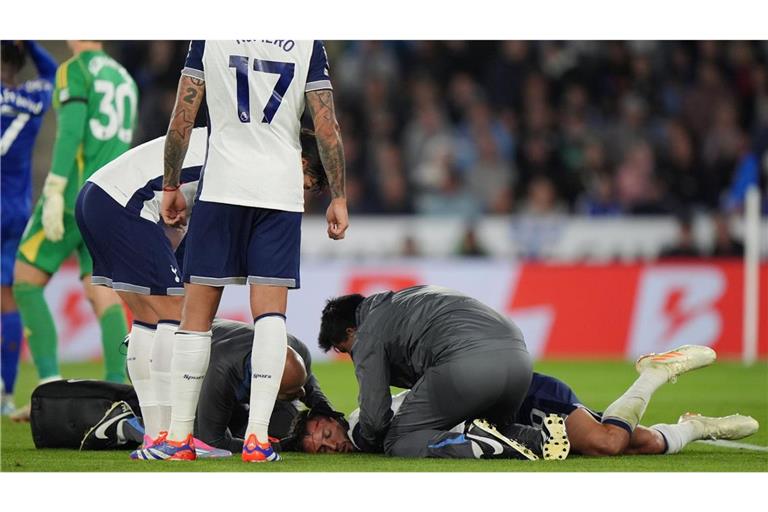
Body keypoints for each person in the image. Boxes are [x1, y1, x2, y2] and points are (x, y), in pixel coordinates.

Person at [155, 40, 348, 462]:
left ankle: (179, 440)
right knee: (270, 315)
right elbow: (327, 126)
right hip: (279, 192)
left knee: (196, 316)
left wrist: (171, 185)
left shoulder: (209, 36)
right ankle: (258, 440)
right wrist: (338, 196)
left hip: (224, 185)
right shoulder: (305, 41)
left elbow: (182, 117)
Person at [74, 127, 328, 443]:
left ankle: (157, 435)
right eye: (306, 185)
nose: (300, 192)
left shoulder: (241, 137)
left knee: (149, 322)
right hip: (128, 201)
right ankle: (173, 436)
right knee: (179, 317)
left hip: (98, 195)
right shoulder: (258, 159)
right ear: (302, 163)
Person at [341, 345, 759, 457]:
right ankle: (697, 426)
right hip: (511, 424)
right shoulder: (382, 434)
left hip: (521, 399)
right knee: (640, 442)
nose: (327, 445)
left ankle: (655, 373)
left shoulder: (370, 420)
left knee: (606, 444)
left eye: (322, 435)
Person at [12, 41, 138, 400]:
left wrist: (54, 188)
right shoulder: (125, 78)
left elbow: (70, 133)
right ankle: (116, 385)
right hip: (111, 198)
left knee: (25, 280)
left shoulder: (75, 70)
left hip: (73, 198)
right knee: (101, 290)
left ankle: (49, 381)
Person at [317, 285, 542, 460]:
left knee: (399, 439)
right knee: (489, 427)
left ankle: (481, 445)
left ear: (351, 330)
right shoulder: (407, 298)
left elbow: (375, 420)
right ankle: (539, 438)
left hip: (469, 367)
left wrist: (363, 440)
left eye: (345, 349)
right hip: (521, 363)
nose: (352, 356)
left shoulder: (366, 333)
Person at [77, 319, 349, 458]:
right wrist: (280, 447)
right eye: (291, 393)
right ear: (263, 384)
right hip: (158, 364)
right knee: (194, 440)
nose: (300, 397)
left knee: (283, 423)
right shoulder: (221, 373)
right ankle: (129, 425)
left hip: (214, 355)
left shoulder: (293, 350)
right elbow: (214, 440)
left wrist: (324, 408)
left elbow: (306, 383)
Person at [0, 41, 57, 415]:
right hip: (16, 210)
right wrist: (28, 42)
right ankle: (6, 395)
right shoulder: (34, 97)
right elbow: (51, 70)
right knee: (8, 300)